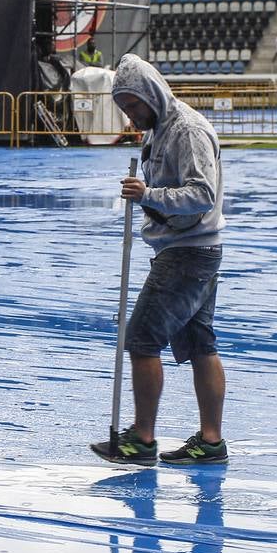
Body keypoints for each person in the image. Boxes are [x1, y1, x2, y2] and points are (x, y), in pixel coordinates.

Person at [92, 54, 228, 467]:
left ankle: (143, 439)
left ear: (151, 94)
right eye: (124, 110)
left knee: (142, 339)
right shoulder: (161, 129)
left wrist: (147, 195)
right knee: (200, 344)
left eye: (134, 106)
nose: (131, 117)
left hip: (188, 251)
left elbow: (202, 193)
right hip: (189, 249)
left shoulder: (186, 130)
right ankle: (211, 441)